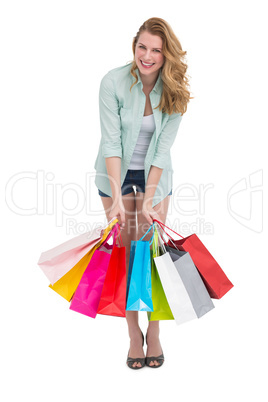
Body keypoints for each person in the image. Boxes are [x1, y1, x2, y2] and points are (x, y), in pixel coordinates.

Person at [94, 17, 191, 369]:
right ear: (134, 45)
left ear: (167, 55)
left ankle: (156, 332)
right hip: (114, 175)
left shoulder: (175, 91)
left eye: (156, 50)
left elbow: (162, 150)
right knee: (125, 254)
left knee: (152, 256)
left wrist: (149, 198)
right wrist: (119, 197)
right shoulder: (113, 82)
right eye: (142, 47)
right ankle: (134, 334)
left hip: (155, 177)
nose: (147, 56)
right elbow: (111, 141)